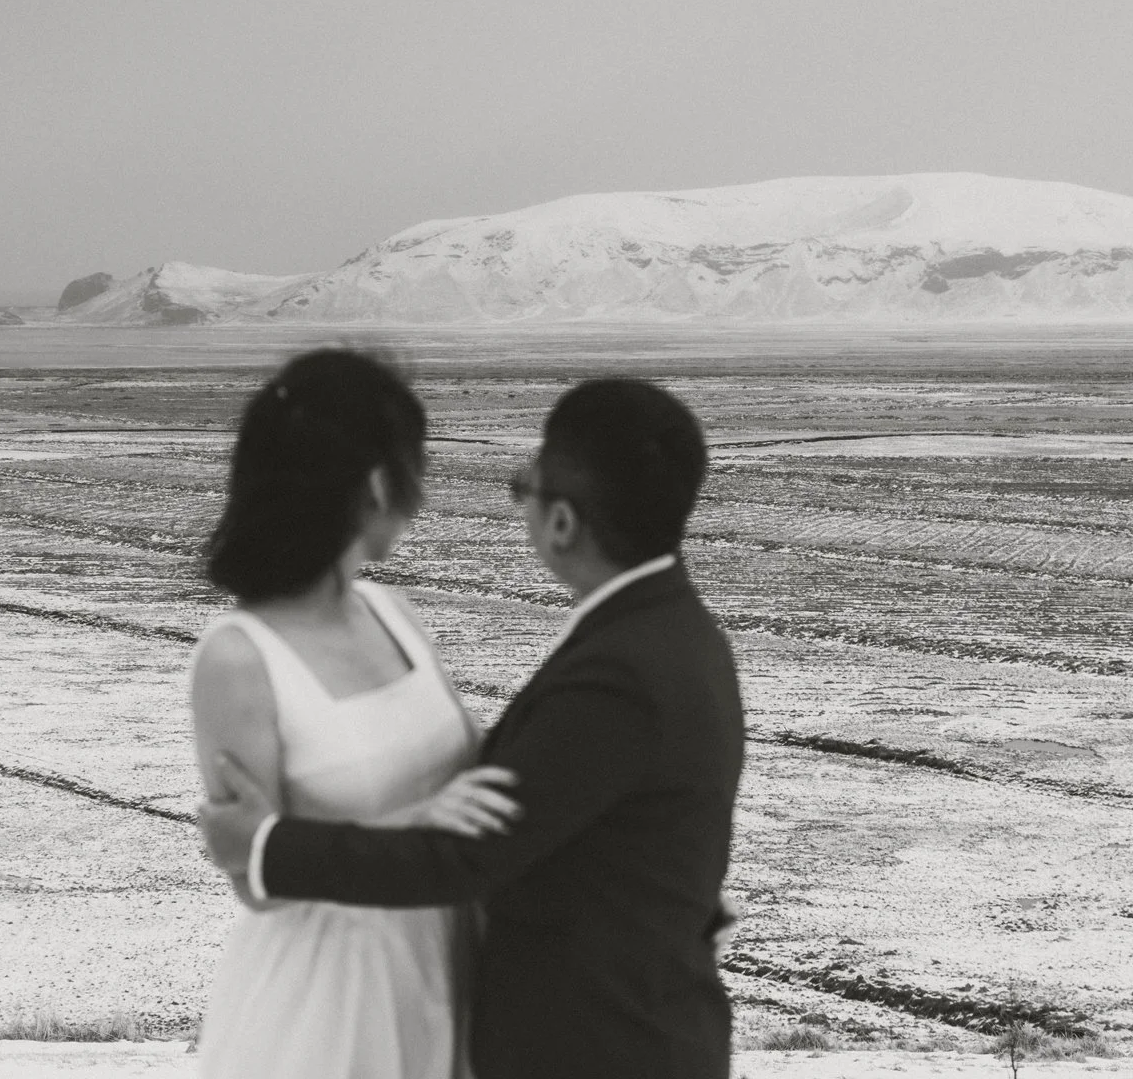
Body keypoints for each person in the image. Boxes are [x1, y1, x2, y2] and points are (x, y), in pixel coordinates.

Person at [200, 377, 746, 1079]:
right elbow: (569, 800)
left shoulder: (621, 671)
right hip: (498, 1014)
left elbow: (467, 857)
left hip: (599, 1046)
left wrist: (268, 847)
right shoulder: (668, 632)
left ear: (562, 524)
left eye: (525, 485)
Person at [188, 348, 521, 1079]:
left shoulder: (391, 613)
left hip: (447, 967)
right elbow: (254, 877)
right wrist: (422, 827)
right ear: (374, 482)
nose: (419, 497)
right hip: (331, 1010)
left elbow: (478, 779)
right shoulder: (238, 658)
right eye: (413, 469)